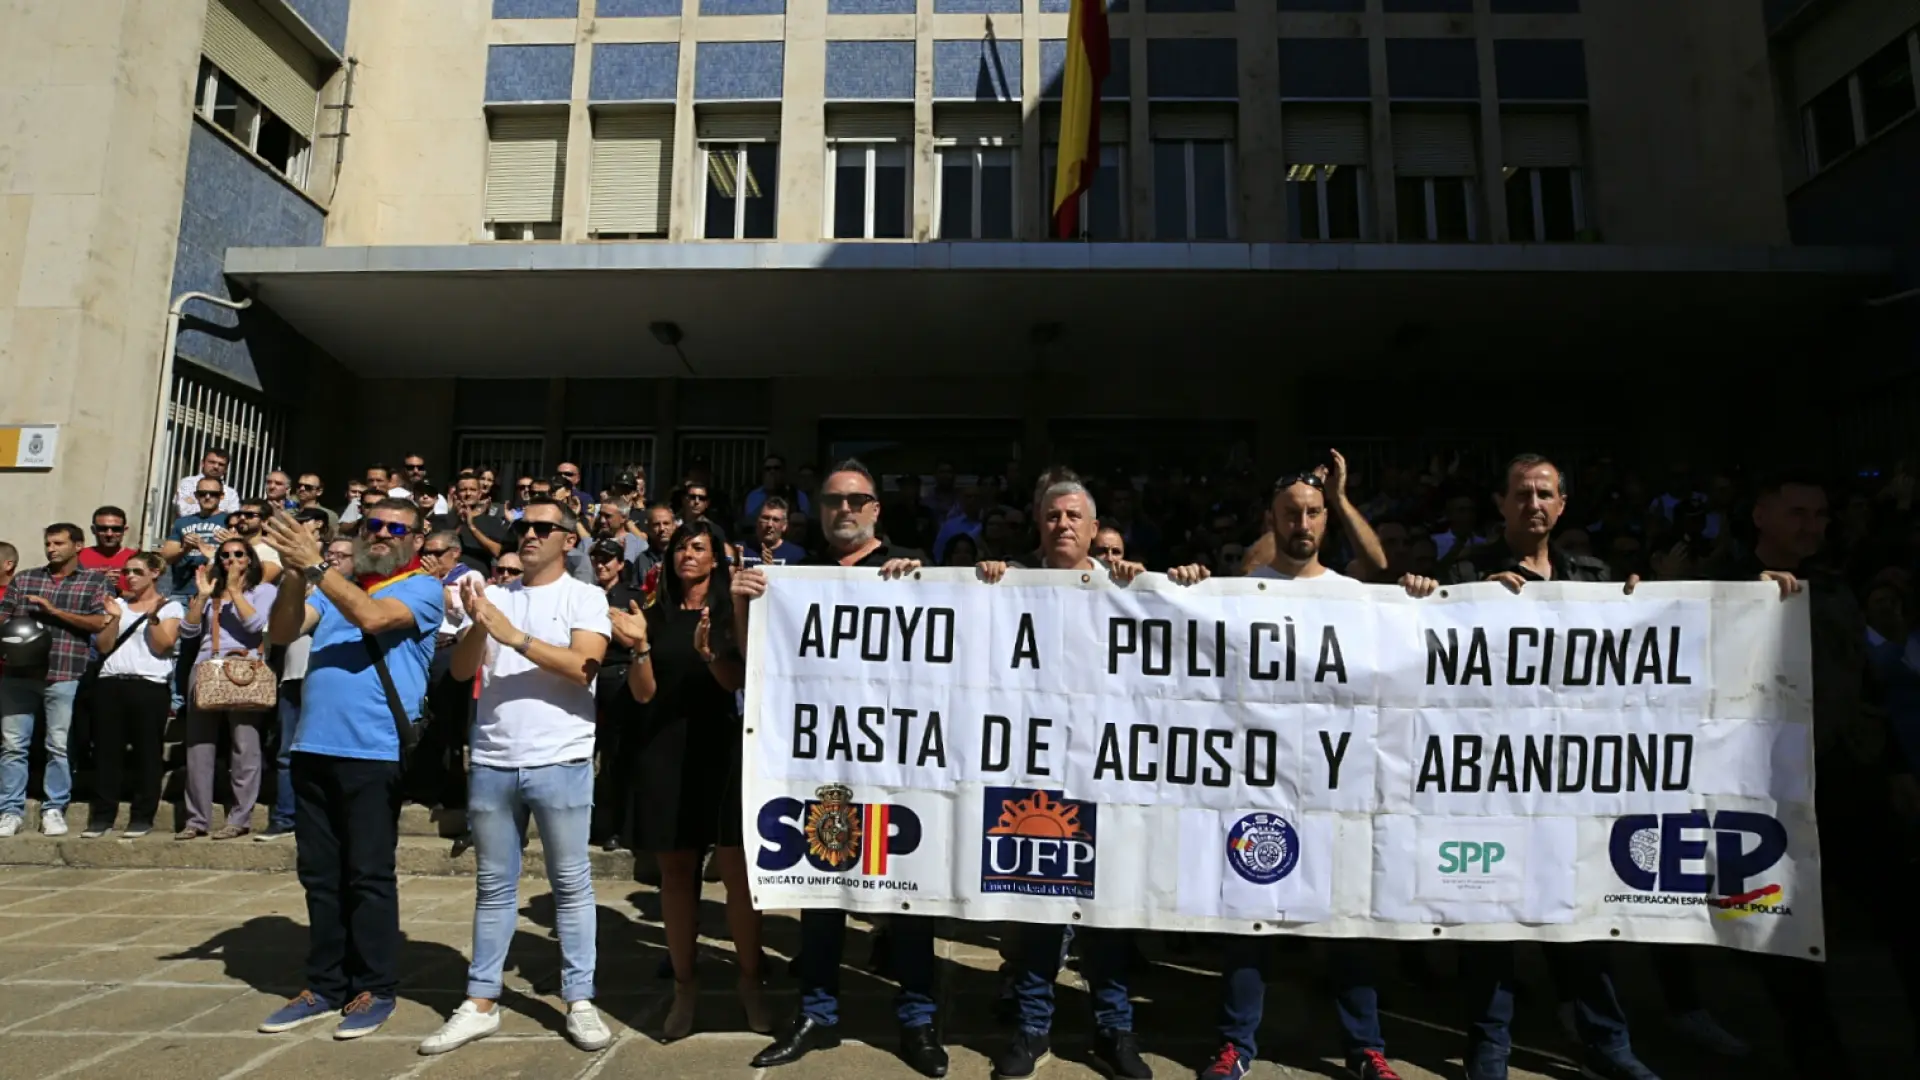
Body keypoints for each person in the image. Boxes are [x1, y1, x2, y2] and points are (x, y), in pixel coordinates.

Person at [1166, 459, 1434, 1080]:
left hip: (1333, 785)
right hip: (1259, 782)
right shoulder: (1251, 588)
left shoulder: (1349, 591)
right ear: (1272, 519)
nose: (1303, 522)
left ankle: (1366, 1048)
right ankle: (1236, 1046)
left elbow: (1383, 568)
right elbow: (1240, 576)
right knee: (1248, 917)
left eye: (1313, 512)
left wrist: (1336, 496)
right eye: (1291, 512)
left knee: (1346, 922)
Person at [1439, 454, 1660, 1080]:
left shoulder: (1594, 577)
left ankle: (1606, 1042)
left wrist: (1644, 606)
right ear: (1501, 503)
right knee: (1489, 922)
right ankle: (1490, 1048)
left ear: (1562, 506)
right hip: (1489, 778)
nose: (1533, 503)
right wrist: (1456, 598)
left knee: (1581, 917)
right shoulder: (1464, 570)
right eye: (1521, 493)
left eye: (1545, 494)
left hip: (1570, 779)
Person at [734, 460, 948, 1078]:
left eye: (857, 500)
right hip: (824, 762)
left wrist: (923, 584)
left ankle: (917, 1019)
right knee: (820, 890)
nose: (845, 510)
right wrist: (746, 605)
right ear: (819, 512)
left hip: (899, 766)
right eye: (833, 502)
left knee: (908, 897)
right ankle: (818, 1013)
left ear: (876, 508)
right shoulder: (798, 579)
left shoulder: (913, 565)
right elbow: (759, 663)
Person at [420, 498, 613, 1055]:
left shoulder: (585, 596)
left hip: (560, 757)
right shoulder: (496, 597)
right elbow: (460, 670)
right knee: (493, 886)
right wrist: (481, 625)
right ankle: (480, 1001)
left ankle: (580, 998)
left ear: (567, 540)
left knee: (572, 884)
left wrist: (512, 635)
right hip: (494, 757)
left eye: (542, 527)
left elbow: (584, 667)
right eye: (523, 526)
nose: (528, 534)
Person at [975, 479, 1153, 1080]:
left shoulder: (1124, 588)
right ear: (1038, 522)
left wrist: (1164, 584)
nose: (1063, 525)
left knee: (1106, 912)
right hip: (1035, 772)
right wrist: (989, 581)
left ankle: (1114, 1028)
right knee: (1037, 909)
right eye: (1052, 515)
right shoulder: (1010, 583)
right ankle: (1032, 1028)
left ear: (1092, 525)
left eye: (1074, 515)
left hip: (1106, 773)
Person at [257, 500, 444, 1040]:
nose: (382, 534)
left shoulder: (420, 588)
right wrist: (294, 575)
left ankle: (376, 985)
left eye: (395, 528)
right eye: (373, 526)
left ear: (415, 537)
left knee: (367, 874)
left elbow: (373, 618)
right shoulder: (334, 586)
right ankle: (325, 983)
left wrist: (315, 566)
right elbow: (285, 630)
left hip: (374, 750)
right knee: (319, 873)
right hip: (314, 746)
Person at [610, 519, 765, 1040]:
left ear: (717, 558)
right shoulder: (648, 615)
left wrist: (709, 654)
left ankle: (750, 981)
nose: (688, 556)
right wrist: (639, 647)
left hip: (722, 750)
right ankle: (685, 986)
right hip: (665, 751)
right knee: (675, 874)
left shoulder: (732, 613)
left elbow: (737, 682)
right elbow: (644, 693)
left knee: (737, 872)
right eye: (681, 548)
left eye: (698, 548)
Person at [0, 525, 114, 838]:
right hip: (19, 674)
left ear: (78, 546)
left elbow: (99, 622)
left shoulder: (95, 581)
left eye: (59, 543)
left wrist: (54, 611)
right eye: (48, 543)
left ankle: (54, 807)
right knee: (12, 745)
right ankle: (10, 810)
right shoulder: (25, 579)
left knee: (58, 745)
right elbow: (3, 614)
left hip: (64, 673)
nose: (52, 549)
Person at [176, 538, 278, 840]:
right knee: (198, 746)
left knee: (245, 745)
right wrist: (203, 597)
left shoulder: (265, 590)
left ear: (250, 559)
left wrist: (234, 590)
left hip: (245, 668)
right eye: (225, 555)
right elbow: (189, 631)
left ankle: (240, 817)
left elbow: (256, 625)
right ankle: (196, 819)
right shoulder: (211, 590)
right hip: (207, 666)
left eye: (238, 554)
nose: (231, 559)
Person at [81, 553, 182, 839]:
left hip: (148, 684)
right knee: (106, 752)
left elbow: (164, 645)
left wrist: (151, 619)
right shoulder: (119, 605)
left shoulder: (169, 606)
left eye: (137, 571)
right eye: (127, 572)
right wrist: (113, 618)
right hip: (111, 682)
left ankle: (142, 816)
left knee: (147, 753)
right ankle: (102, 816)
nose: (131, 577)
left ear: (155, 573)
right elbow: (103, 646)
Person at [261, 534, 351, 843]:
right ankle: (285, 817)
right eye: (331, 553)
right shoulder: (303, 589)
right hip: (294, 677)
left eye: (343, 555)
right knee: (288, 753)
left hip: (335, 684)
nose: (336, 559)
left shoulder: (355, 594)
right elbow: (279, 629)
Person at [589, 539, 645, 850]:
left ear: (621, 564)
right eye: (597, 558)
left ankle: (616, 828)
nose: (602, 565)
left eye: (608, 560)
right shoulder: (582, 594)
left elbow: (632, 641)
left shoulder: (631, 597)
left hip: (617, 677)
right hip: (586, 676)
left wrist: (609, 616)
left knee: (615, 756)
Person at [162, 479, 230, 599]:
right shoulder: (182, 522)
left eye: (213, 494)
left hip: (216, 590)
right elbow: (166, 557)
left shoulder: (230, 521)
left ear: (222, 496)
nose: (207, 497)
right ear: (196, 496)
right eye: (202, 493)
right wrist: (185, 549)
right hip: (182, 590)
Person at [79, 506, 138, 591]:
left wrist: (117, 590)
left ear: (124, 530)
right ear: (93, 530)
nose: (109, 534)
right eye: (103, 529)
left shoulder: (137, 558)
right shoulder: (78, 557)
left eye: (116, 529)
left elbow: (147, 598)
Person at [739, 497, 805, 568]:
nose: (769, 524)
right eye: (765, 518)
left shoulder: (796, 555)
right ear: (757, 521)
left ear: (784, 526)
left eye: (775, 520)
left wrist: (772, 570)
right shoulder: (740, 549)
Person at [175, 447, 242, 517]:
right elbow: (184, 511)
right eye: (212, 462)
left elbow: (233, 518)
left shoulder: (231, 493)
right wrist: (219, 511)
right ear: (202, 463)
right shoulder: (188, 483)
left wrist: (196, 505)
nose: (216, 466)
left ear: (226, 469)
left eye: (221, 464)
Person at [744, 454, 811, 522]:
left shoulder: (798, 495)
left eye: (776, 468)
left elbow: (803, 521)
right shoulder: (754, 495)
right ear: (763, 473)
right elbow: (751, 520)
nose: (772, 472)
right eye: (768, 469)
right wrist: (770, 493)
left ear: (783, 472)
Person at [233, 498, 286, 584]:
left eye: (249, 515)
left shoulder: (270, 550)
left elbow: (258, 582)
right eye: (239, 514)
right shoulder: (229, 546)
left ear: (265, 521)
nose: (242, 518)